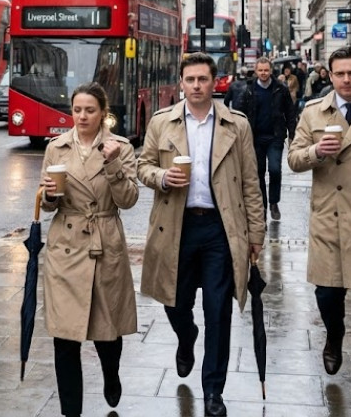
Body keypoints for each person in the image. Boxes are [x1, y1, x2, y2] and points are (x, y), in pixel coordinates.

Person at [137, 52, 265, 417]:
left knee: (218, 311)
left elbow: (252, 184)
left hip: (219, 230)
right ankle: (186, 335)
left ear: (214, 82)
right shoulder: (163, 123)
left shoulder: (235, 125)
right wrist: (161, 177)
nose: (196, 86)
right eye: (190, 80)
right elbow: (142, 165)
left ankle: (213, 392)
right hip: (175, 226)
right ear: (182, 83)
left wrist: (256, 234)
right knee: (174, 302)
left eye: (202, 79)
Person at [38, 82, 138, 416]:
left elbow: (129, 199)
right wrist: (49, 195)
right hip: (66, 248)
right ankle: (71, 412)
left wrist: (112, 165)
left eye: (89, 110)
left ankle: (111, 375)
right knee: (64, 338)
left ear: (103, 114)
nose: (82, 116)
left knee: (107, 334)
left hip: (105, 244)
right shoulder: (57, 147)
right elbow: (46, 202)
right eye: (77, 110)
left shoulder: (120, 147)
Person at [288, 45, 351, 376]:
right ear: (330, 74)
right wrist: (316, 151)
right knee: (328, 293)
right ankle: (334, 334)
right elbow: (294, 158)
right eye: (340, 73)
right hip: (329, 215)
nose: (346, 79)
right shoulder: (314, 112)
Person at [239, 57, 297, 221]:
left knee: (275, 169)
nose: (263, 73)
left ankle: (273, 202)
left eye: (266, 70)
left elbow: (290, 112)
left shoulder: (281, 89)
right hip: (255, 138)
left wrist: (292, 134)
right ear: (256, 71)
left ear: (271, 71)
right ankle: (263, 207)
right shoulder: (249, 89)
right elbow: (240, 114)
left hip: (275, 137)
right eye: (260, 70)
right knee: (258, 174)